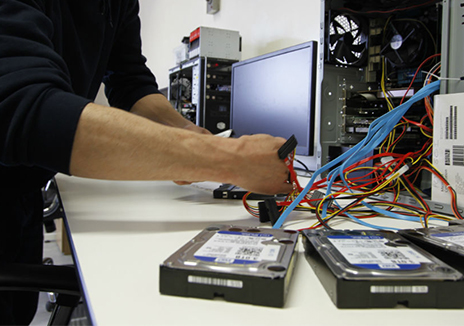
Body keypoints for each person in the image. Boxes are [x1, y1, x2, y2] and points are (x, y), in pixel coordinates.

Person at [0, 1, 292, 323]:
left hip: (22, 192)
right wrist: (228, 159)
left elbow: (130, 82)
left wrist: (188, 133)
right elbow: (23, 108)